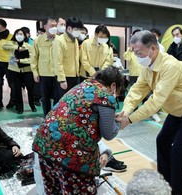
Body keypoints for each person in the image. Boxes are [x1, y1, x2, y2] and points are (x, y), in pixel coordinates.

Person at [116, 30, 182, 194]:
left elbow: (155, 102)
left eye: (139, 53)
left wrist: (130, 120)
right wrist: (126, 111)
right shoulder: (147, 65)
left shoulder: (169, 66)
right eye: (135, 53)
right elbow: (138, 89)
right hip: (178, 108)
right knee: (163, 140)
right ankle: (165, 183)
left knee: (179, 149)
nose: (137, 57)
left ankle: (178, 191)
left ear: (152, 49)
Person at [32, 66, 124, 194]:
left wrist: (109, 118)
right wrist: (120, 124)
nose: (115, 95)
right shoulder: (105, 97)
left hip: (44, 146)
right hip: (70, 156)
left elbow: (82, 116)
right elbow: (108, 133)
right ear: (113, 85)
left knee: (55, 190)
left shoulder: (82, 86)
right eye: (117, 91)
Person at [2, 28, 36, 114]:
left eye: (21, 34)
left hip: (27, 71)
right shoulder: (11, 44)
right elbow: (4, 46)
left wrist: (21, 61)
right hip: (14, 70)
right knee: (17, 90)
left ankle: (32, 105)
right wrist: (17, 47)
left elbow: (32, 59)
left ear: (25, 36)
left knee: (30, 89)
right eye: (17, 34)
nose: (19, 36)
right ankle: (19, 108)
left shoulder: (28, 46)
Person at [31, 17, 59, 117]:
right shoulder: (38, 40)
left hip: (57, 74)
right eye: (52, 26)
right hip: (44, 74)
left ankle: (55, 117)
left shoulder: (59, 40)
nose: (54, 28)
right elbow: (34, 58)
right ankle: (46, 117)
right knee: (45, 97)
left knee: (58, 97)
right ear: (45, 27)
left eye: (56, 26)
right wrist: (35, 72)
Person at [53, 17, 83, 98]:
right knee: (63, 102)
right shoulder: (59, 40)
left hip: (75, 76)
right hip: (65, 77)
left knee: (73, 102)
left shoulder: (75, 40)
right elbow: (58, 61)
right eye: (77, 29)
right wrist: (62, 80)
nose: (79, 31)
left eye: (80, 29)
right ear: (69, 28)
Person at [0, 18, 14, 110]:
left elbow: (14, 51)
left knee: (12, 83)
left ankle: (12, 102)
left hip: (8, 63)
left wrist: (13, 63)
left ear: (1, 25)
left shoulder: (11, 37)